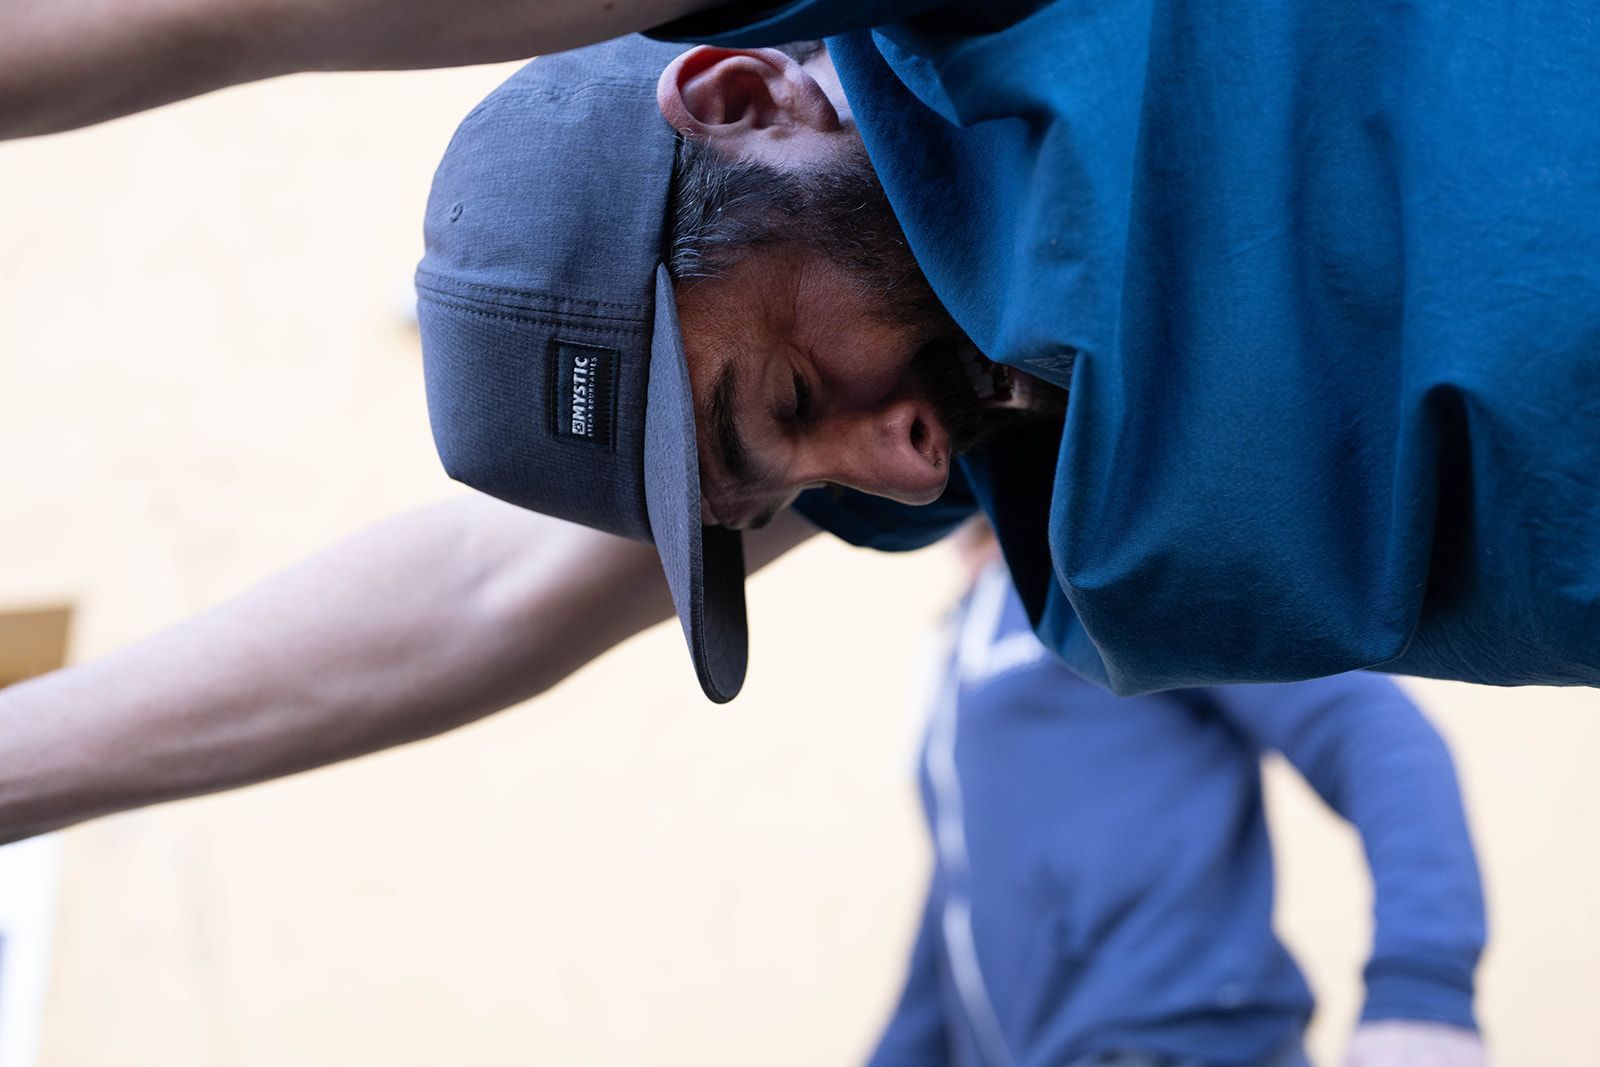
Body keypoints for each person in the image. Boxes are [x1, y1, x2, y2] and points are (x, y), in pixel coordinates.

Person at [8, 6, 1600, 695]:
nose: (892, 469)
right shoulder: (1002, 443)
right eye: (783, 485)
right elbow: (484, 595)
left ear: (746, 95)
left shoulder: (981, 40)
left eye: (784, 396)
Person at [871, 527, 1487, 1067]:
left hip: (1183, 1044)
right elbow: (963, 893)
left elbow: (1371, 733)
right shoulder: (962, 637)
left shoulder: (1117, 552)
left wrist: (1422, 983)